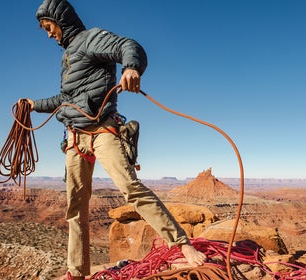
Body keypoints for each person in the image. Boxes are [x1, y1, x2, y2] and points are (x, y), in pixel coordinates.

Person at [24, 0, 206, 279]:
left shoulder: (90, 38)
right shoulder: (68, 57)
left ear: (60, 20)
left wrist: (131, 68)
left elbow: (129, 46)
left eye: (49, 27)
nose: (49, 34)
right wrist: (33, 104)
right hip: (75, 138)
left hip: (103, 130)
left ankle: (182, 245)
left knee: (130, 188)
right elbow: (65, 100)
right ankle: (77, 271)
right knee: (75, 207)